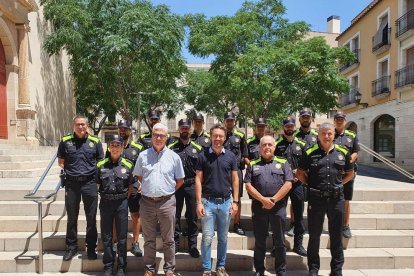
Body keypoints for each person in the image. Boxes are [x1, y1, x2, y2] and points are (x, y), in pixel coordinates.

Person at [296, 123, 355, 276]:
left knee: (336, 236)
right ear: (318, 135)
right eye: (323, 133)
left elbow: (350, 174)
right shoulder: (310, 152)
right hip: (316, 200)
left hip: (337, 200)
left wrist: (338, 184)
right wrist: (310, 184)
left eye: (329, 133)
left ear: (334, 135)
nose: (327, 136)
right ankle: (314, 270)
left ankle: (336, 270)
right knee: (314, 236)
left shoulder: (343, 152)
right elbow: (299, 173)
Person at [133, 123, 185, 276]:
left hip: (167, 202)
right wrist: (150, 187)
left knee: (168, 239)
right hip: (147, 202)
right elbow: (140, 176)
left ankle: (169, 269)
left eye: (162, 135)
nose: (158, 137)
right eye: (156, 134)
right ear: (151, 136)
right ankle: (149, 269)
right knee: (149, 239)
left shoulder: (174, 157)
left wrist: (167, 191)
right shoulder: (143, 155)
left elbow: (180, 180)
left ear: (166, 137)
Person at [245, 135, 293, 276]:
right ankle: (259, 270)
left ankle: (281, 270)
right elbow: (248, 185)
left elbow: (288, 183)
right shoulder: (253, 164)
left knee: (279, 241)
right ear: (260, 148)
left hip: (278, 208)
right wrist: (263, 200)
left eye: (269, 145)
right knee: (260, 241)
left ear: (274, 147)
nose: (267, 147)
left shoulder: (283, 163)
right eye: (264, 145)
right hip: (259, 208)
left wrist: (272, 201)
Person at [57, 114, 104, 261]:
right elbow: (61, 161)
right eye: (78, 124)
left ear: (87, 125)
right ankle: (71, 247)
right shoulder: (65, 141)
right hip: (72, 184)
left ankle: (91, 248)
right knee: (72, 217)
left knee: (91, 218)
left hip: (90, 184)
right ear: (73, 126)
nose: (80, 127)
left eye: (83, 124)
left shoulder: (95, 141)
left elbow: (100, 161)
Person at [195, 123, 239, 276]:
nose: (218, 139)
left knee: (223, 238)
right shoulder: (202, 156)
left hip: (226, 202)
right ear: (210, 137)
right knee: (207, 238)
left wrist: (235, 202)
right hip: (208, 203)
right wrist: (199, 202)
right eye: (215, 136)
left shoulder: (231, 156)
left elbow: (235, 180)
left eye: (221, 136)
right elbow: (198, 180)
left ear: (225, 138)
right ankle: (207, 269)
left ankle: (221, 267)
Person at [105, 120, 144, 257]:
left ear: (130, 130)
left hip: (133, 186)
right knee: (116, 216)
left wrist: (142, 184)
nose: (122, 131)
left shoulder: (138, 147)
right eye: (120, 128)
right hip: (117, 188)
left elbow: (143, 168)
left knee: (135, 215)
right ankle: (115, 243)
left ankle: (135, 243)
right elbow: (107, 166)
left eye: (125, 129)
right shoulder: (112, 146)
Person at [97, 134, 134, 276]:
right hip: (105, 202)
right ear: (108, 147)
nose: (115, 148)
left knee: (122, 236)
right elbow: (98, 183)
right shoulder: (100, 165)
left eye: (117, 145)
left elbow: (130, 185)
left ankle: (121, 266)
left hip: (121, 203)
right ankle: (108, 265)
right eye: (112, 145)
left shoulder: (129, 165)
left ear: (122, 147)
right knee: (106, 236)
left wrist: (123, 198)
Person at [168, 119, 203, 258]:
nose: (184, 130)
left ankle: (192, 245)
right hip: (176, 185)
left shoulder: (198, 148)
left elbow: (201, 170)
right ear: (179, 129)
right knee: (174, 216)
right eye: (182, 127)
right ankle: (175, 244)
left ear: (190, 129)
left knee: (192, 217)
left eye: (187, 128)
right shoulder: (171, 148)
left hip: (191, 185)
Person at [274, 117, 307, 257]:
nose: (289, 128)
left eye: (291, 126)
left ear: (295, 127)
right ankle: (278, 246)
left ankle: (298, 245)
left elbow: (307, 164)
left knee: (299, 217)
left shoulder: (301, 144)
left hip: (297, 185)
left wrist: (299, 172)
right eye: (287, 126)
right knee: (279, 216)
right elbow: (272, 164)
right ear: (283, 127)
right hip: (282, 186)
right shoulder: (277, 144)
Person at [287, 108, 318, 236]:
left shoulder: (317, 136)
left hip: (313, 172)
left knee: (313, 200)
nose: (305, 119)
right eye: (303, 117)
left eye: (308, 117)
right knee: (296, 201)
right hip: (298, 174)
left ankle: (312, 224)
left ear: (311, 119)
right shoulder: (295, 135)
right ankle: (294, 224)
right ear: (299, 119)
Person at [333, 112, 360, 239]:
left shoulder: (352, 135)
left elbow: (355, 153)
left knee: (346, 200)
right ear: (334, 120)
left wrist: (346, 164)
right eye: (337, 119)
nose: (339, 121)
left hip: (347, 173)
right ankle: (333, 225)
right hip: (332, 173)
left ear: (345, 121)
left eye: (341, 119)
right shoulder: (329, 134)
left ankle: (345, 226)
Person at [223, 111, 248, 235]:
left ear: (234, 122)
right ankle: (224, 223)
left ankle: (237, 223)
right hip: (222, 171)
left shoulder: (240, 135)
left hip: (236, 170)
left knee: (237, 198)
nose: (229, 122)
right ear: (224, 121)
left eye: (231, 120)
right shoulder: (220, 135)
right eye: (227, 120)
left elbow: (245, 154)